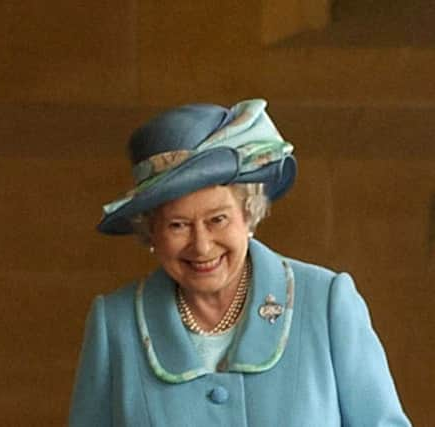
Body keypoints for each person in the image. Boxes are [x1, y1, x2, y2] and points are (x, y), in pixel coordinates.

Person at [69, 99, 411, 426]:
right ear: (150, 233)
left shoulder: (325, 302)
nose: (201, 246)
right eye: (178, 225)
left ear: (248, 214)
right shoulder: (115, 324)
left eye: (217, 219)